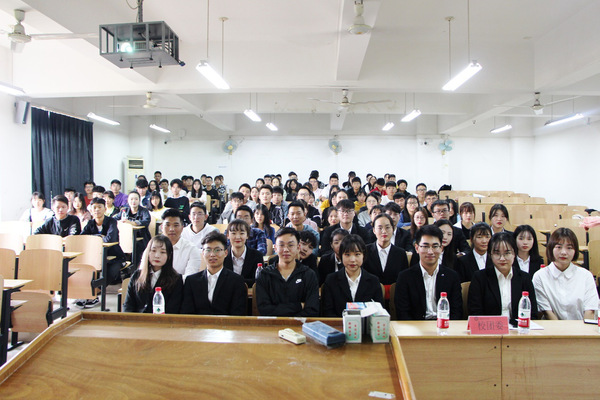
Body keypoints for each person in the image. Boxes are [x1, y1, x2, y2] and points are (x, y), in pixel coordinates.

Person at [394, 225, 463, 320]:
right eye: (425, 246)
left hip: (445, 326)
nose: (430, 251)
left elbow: (457, 312)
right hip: (416, 326)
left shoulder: (452, 277)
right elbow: (403, 313)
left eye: (435, 246)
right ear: (417, 248)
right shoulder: (405, 277)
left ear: (441, 248)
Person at [468, 232, 538, 325]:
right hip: (489, 329)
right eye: (497, 253)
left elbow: (532, 313)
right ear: (490, 255)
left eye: (507, 253)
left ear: (514, 254)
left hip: (518, 329)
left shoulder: (524, 278)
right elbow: (475, 313)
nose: (502, 258)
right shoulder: (479, 278)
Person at [533, 228, 599, 320]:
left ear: (575, 250)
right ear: (551, 248)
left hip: (582, 327)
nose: (563, 252)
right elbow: (547, 312)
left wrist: (583, 329)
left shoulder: (586, 275)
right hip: (552, 327)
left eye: (569, 248)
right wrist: (561, 329)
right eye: (559, 247)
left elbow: (590, 311)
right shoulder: (540, 276)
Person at [255, 228, 319, 317]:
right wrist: (299, 306)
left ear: (298, 247)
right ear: (275, 248)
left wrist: (293, 321)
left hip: (301, 324)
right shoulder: (265, 274)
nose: (286, 249)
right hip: (272, 324)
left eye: (290, 245)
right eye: (281, 245)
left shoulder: (308, 274)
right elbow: (265, 310)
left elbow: (312, 310)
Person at [180, 231, 248, 316]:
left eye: (217, 250)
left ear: (225, 253)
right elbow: (187, 312)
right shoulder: (191, 281)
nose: (212, 254)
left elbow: (238, 313)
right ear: (203, 253)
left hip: (227, 324)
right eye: (208, 250)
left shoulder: (236, 281)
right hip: (198, 324)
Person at [78, 198, 127, 308]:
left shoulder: (112, 222)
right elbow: (82, 238)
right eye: (94, 208)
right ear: (91, 210)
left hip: (115, 256)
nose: (97, 210)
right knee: (86, 269)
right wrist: (99, 236)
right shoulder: (90, 223)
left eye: (99, 207)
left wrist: (93, 238)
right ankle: (88, 294)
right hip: (96, 256)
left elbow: (110, 239)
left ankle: (94, 293)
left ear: (105, 209)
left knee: (111, 271)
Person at [321, 235, 384, 317]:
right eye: (347, 254)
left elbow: (379, 312)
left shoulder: (373, 281)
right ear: (341, 256)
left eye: (357, 254)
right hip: (339, 324)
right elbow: (327, 312)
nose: (352, 260)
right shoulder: (331, 280)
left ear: (363, 255)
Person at [123, 235, 183, 314]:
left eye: (162, 252)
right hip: (137, 320)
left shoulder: (176, 279)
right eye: (153, 251)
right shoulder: (137, 275)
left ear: (169, 255)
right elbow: (128, 306)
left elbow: (173, 309)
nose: (157, 256)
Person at [363, 214, 409, 289]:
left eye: (387, 227)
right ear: (374, 230)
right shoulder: (365, 251)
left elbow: (404, 280)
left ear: (393, 229)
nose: (384, 231)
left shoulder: (401, 253)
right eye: (380, 228)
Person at [161, 208, 202, 280]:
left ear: (182, 228)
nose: (171, 229)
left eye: (176, 225)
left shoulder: (191, 249)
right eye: (168, 225)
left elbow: (189, 278)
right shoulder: (153, 247)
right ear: (161, 227)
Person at [223, 219, 264, 287]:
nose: (238, 237)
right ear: (228, 235)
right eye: (233, 233)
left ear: (247, 235)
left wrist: (234, 282)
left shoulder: (257, 256)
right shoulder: (222, 255)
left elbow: (258, 280)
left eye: (242, 233)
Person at [114, 191, 152, 265]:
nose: (133, 201)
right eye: (131, 199)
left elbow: (146, 221)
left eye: (136, 199)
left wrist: (132, 223)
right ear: (128, 200)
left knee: (137, 247)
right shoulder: (124, 210)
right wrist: (120, 222)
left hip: (141, 238)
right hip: (126, 237)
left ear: (139, 200)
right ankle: (123, 266)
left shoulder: (144, 211)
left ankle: (136, 267)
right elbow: (113, 219)